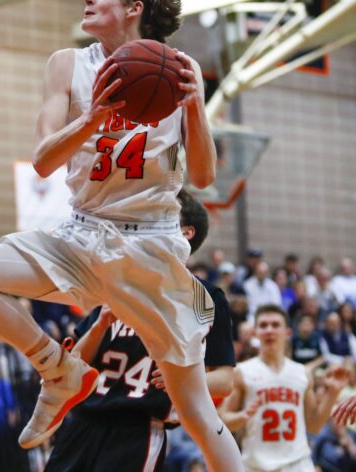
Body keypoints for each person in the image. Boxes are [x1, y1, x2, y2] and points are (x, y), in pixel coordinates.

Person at [0, 0, 244, 470]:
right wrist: (91, 120)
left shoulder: (179, 69)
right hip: (82, 235)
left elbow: (203, 176)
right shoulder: (67, 63)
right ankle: (58, 370)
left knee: (195, 410)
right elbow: (42, 162)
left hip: (151, 247)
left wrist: (195, 107)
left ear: (134, 8)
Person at [45, 190, 236, 472]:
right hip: (81, 424)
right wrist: (99, 326)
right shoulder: (119, 281)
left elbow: (225, 380)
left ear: (186, 233)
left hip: (139, 430)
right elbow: (74, 366)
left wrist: (181, 381)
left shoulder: (204, 297)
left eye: (165, 215)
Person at [220, 304, 348, 472]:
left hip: (297, 465)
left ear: (287, 333)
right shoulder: (242, 372)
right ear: (255, 333)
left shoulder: (302, 372)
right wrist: (242, 417)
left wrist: (333, 393)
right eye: (263, 325)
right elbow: (222, 421)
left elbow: (314, 426)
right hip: (256, 466)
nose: (269, 330)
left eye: (275, 325)